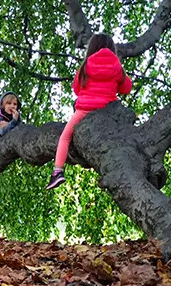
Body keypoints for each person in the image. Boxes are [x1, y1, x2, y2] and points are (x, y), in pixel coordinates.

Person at [46, 34, 132, 190]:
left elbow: (76, 88)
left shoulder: (86, 65)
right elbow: (126, 88)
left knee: (65, 137)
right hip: (106, 110)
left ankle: (57, 171)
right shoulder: (116, 66)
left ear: (91, 47)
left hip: (84, 110)